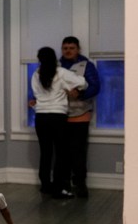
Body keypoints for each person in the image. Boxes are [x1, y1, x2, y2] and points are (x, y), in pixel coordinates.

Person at [31, 47, 87, 199]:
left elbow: (36, 93)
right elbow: (83, 82)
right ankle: (58, 188)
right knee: (61, 154)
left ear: (39, 59)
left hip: (41, 117)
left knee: (45, 153)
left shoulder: (36, 74)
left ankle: (45, 186)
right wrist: (74, 89)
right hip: (57, 117)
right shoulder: (61, 72)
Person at [59, 36, 101, 198]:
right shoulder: (56, 66)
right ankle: (64, 183)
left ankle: (80, 183)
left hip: (80, 114)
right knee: (62, 153)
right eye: (65, 48)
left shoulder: (87, 66)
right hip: (60, 115)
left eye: (71, 48)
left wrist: (80, 94)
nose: (68, 51)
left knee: (78, 152)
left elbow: (95, 86)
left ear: (78, 49)